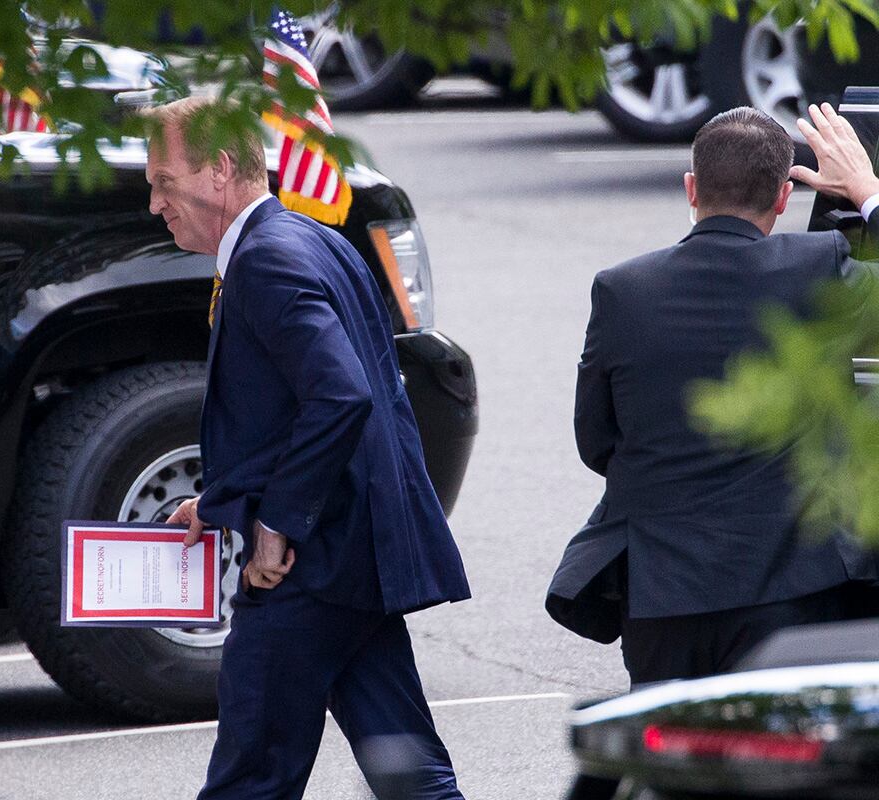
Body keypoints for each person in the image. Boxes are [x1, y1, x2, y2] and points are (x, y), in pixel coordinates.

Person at [142, 96, 471, 800]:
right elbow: (298, 411)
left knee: (250, 780)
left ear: (221, 170)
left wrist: (277, 523)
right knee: (413, 776)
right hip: (359, 557)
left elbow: (340, 395)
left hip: (310, 566)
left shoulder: (266, 260)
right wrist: (218, 502)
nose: (154, 203)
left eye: (164, 182)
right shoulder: (313, 240)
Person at [546, 103, 879, 693]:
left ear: (691, 188)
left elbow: (595, 440)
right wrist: (867, 192)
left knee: (671, 770)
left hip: (663, 598)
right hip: (793, 590)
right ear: (783, 197)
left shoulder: (623, 290)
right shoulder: (821, 267)